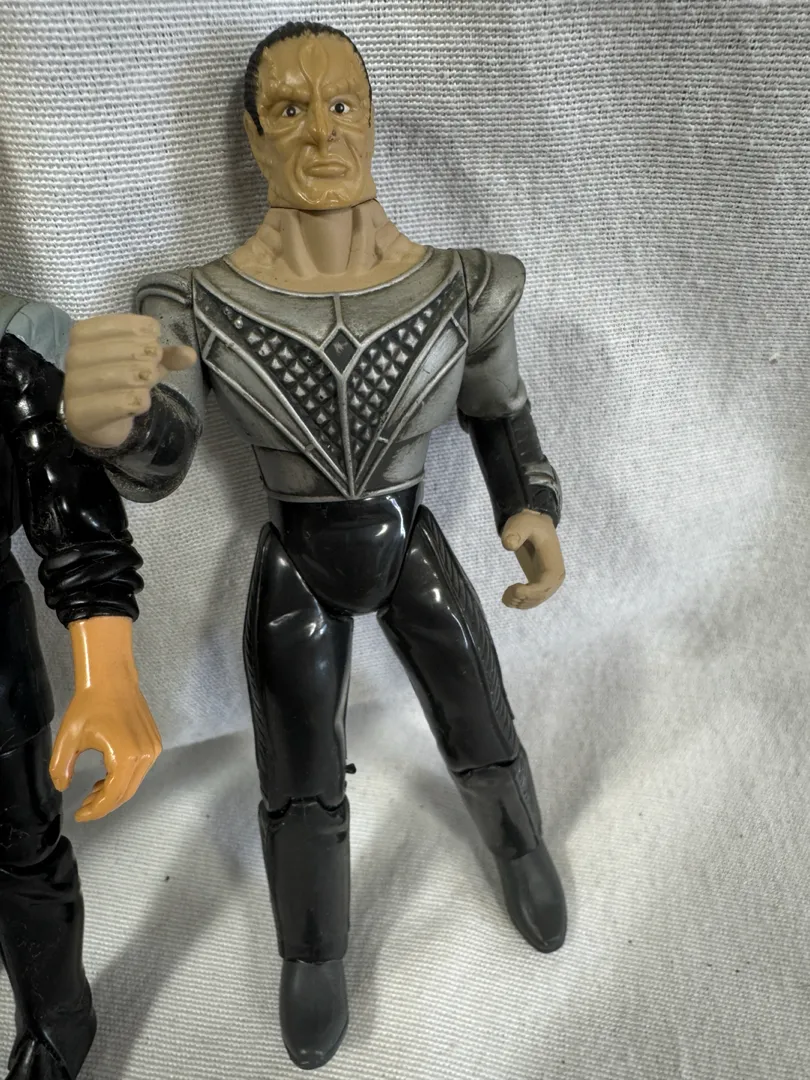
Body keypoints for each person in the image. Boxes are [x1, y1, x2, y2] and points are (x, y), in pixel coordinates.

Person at [62, 21, 567, 1070]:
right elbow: (167, 453)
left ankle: (521, 846)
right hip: (296, 557)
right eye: (290, 110)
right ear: (254, 137)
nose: (323, 134)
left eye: (342, 105)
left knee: (480, 720)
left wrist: (530, 508)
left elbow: (500, 412)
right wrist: (119, 427)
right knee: (296, 775)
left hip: (410, 537)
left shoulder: (464, 286)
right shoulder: (197, 304)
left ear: (373, 120)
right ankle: (313, 950)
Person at [0, 295, 161, 1080]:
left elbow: (67, 505)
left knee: (20, 847)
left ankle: (59, 1015)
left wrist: (107, 671)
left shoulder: (11, 348)